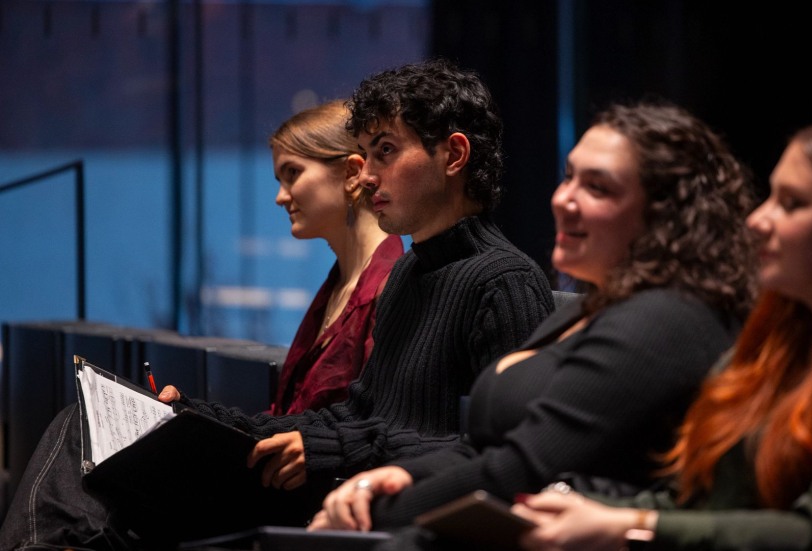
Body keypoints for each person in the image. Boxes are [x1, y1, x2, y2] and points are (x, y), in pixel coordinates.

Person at [0, 58, 554, 550]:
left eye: (385, 151)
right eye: (364, 154)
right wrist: (193, 412)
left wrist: (330, 449)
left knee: (101, 470)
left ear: (454, 154)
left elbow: (498, 455)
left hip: (365, 503)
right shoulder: (413, 270)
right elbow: (358, 417)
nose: (370, 175)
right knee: (94, 429)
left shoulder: (504, 280)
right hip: (330, 478)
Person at [511, 116, 812, 551]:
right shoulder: (766, 353)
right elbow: (694, 508)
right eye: (771, 196)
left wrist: (632, 526)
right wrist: (588, 511)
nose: (757, 220)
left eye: (791, 204)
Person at [306, 101, 758, 543]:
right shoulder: (597, 307)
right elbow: (481, 450)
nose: (563, 200)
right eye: (568, 178)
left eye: (597, 187)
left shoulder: (666, 318)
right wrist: (388, 478)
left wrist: (366, 520)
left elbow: (522, 469)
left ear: (664, 213)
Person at [267, 99, 403, 414]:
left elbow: (378, 426)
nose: (280, 197)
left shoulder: (391, 288)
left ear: (352, 172)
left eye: (293, 173)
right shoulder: (340, 283)